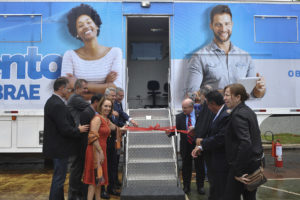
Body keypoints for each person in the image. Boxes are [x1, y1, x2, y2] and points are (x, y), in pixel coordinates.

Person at [185, 5, 266, 98]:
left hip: (239, 112)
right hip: (213, 112)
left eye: (227, 24)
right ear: (211, 25)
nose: (223, 29)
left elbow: (253, 95)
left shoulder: (245, 57)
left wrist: (259, 89)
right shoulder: (199, 57)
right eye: (218, 24)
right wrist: (224, 93)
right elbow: (191, 95)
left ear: (232, 24)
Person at [61, 4, 122, 99]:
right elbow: (67, 94)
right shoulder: (70, 55)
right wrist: (105, 85)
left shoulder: (115, 52)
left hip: (104, 112)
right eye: (80, 25)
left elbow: (116, 90)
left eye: (89, 22)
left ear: (96, 25)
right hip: (77, 111)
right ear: (76, 33)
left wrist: (78, 85)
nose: (86, 26)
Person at [43, 77, 89, 200]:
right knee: (59, 179)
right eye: (67, 88)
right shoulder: (57, 104)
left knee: (59, 178)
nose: (69, 90)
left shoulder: (52, 101)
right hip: (59, 148)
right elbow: (64, 128)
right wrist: (78, 130)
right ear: (61, 88)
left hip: (58, 147)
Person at [223, 83, 264, 200]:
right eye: (224, 95)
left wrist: (238, 172)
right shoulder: (248, 111)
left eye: (227, 95)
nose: (224, 98)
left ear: (238, 97)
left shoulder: (238, 115)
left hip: (243, 167)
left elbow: (245, 143)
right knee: (250, 197)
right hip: (253, 164)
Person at [83, 98, 126, 200]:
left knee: (99, 180)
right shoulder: (97, 119)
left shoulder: (106, 119)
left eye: (110, 106)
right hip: (95, 150)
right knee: (93, 182)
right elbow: (92, 137)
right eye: (105, 106)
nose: (108, 108)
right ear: (100, 106)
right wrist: (100, 151)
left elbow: (115, 128)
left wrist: (125, 128)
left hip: (101, 150)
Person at [192, 90, 230, 200]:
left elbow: (219, 138)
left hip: (221, 163)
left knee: (219, 191)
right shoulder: (218, 115)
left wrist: (202, 144)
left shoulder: (224, 115)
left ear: (212, 104)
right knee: (215, 190)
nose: (206, 107)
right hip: (215, 162)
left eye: (206, 104)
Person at [67, 79, 90, 200]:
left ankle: (77, 192)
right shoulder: (76, 98)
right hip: (77, 137)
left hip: (79, 136)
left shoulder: (77, 98)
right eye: (84, 88)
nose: (86, 91)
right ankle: (73, 194)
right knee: (76, 167)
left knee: (79, 166)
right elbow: (92, 107)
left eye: (86, 88)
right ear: (77, 88)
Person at [176, 98, 205, 195]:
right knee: (186, 167)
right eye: (182, 108)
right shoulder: (179, 117)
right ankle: (186, 186)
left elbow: (204, 129)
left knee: (199, 166)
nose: (183, 110)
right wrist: (169, 133)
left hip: (197, 144)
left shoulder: (200, 115)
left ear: (192, 107)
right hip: (186, 145)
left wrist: (195, 130)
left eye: (185, 108)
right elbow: (176, 129)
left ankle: (200, 186)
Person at [104, 87, 121, 196]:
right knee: (104, 168)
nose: (114, 98)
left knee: (112, 166)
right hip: (105, 143)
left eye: (115, 96)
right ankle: (102, 190)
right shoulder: (103, 111)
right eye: (112, 96)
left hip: (113, 143)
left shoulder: (115, 107)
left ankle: (111, 188)